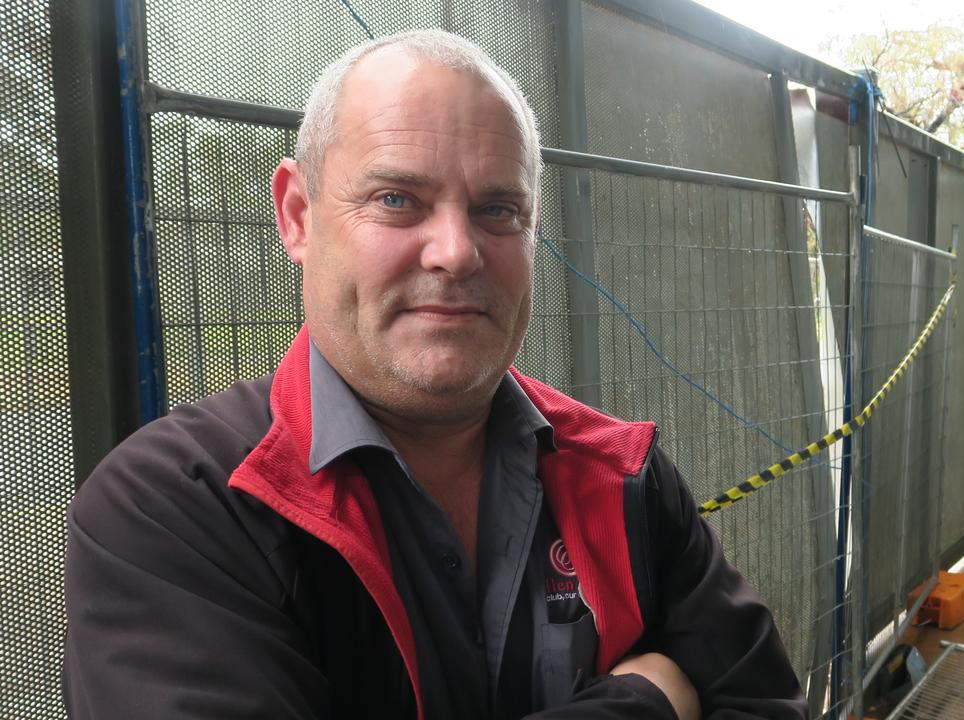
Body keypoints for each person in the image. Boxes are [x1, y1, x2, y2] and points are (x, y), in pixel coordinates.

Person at [63, 29, 805, 720]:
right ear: (297, 214)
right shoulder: (177, 511)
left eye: (497, 209)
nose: (456, 251)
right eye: (396, 200)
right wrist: (648, 701)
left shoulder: (625, 477)